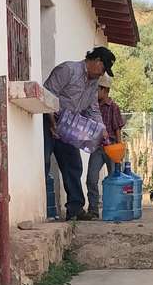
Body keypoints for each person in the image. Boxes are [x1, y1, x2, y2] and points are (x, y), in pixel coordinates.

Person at [43, 47, 116, 221]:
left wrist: (102, 129)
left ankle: (75, 209)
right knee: (43, 163)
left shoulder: (92, 84)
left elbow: (92, 108)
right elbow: (47, 94)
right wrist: (52, 123)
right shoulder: (68, 70)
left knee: (73, 165)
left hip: (68, 127)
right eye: (103, 68)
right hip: (47, 121)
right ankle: (45, 209)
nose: (102, 73)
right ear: (96, 61)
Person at [86, 73, 125, 218]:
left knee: (115, 180)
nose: (95, 92)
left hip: (112, 148)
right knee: (91, 178)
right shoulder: (92, 106)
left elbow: (117, 128)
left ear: (105, 90)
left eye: (97, 89)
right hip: (97, 147)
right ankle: (93, 210)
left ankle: (115, 209)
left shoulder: (113, 107)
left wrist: (119, 151)